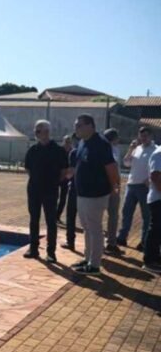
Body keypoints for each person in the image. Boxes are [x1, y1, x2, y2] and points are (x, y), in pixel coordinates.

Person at [71, 114, 120, 275]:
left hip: (95, 195)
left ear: (90, 126)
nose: (76, 128)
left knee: (95, 229)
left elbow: (111, 168)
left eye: (79, 125)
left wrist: (115, 187)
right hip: (83, 194)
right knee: (87, 228)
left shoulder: (101, 144)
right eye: (76, 125)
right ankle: (88, 258)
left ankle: (95, 265)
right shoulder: (83, 142)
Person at [23, 120, 68, 263]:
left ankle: (51, 252)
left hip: (50, 190)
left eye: (38, 131)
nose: (35, 133)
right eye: (35, 131)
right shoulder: (32, 150)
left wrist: (53, 182)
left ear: (47, 132)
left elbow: (64, 171)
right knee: (33, 220)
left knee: (51, 221)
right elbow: (28, 169)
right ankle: (33, 248)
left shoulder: (58, 150)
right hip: (34, 190)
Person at [119, 127, 155, 250]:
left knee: (146, 215)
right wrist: (130, 149)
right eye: (141, 136)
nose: (143, 138)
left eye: (145, 136)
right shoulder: (137, 149)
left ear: (151, 136)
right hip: (131, 185)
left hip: (145, 187)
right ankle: (122, 237)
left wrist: (150, 179)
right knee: (126, 212)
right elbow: (126, 163)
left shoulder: (156, 150)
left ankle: (144, 241)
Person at [103, 129, 123, 255]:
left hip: (110, 186)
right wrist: (115, 187)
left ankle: (110, 242)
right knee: (112, 215)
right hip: (110, 186)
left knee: (111, 215)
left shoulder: (115, 149)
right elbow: (113, 170)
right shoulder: (109, 150)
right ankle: (110, 243)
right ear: (113, 139)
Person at [143, 145, 161, 272]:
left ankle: (155, 257)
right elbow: (155, 176)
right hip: (157, 198)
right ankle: (149, 261)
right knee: (155, 229)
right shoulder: (158, 154)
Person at [61, 135, 80, 250]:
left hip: (75, 188)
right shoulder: (91, 150)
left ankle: (70, 241)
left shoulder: (74, 153)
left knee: (71, 216)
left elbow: (70, 173)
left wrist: (64, 175)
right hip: (87, 189)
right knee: (88, 220)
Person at [57, 135, 74, 222]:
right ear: (63, 142)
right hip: (57, 177)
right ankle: (52, 215)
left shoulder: (72, 152)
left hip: (66, 178)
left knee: (63, 199)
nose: (67, 143)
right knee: (54, 197)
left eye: (69, 141)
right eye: (66, 141)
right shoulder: (59, 151)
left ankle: (57, 216)